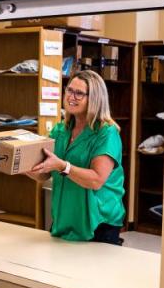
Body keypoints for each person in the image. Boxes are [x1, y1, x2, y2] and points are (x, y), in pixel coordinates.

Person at [27, 70, 125, 244]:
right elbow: (44, 174)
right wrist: (18, 165)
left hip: (98, 224)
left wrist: (63, 166)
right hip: (65, 219)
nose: (71, 97)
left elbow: (96, 180)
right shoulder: (60, 130)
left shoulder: (106, 133)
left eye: (79, 93)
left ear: (94, 98)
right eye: (69, 90)